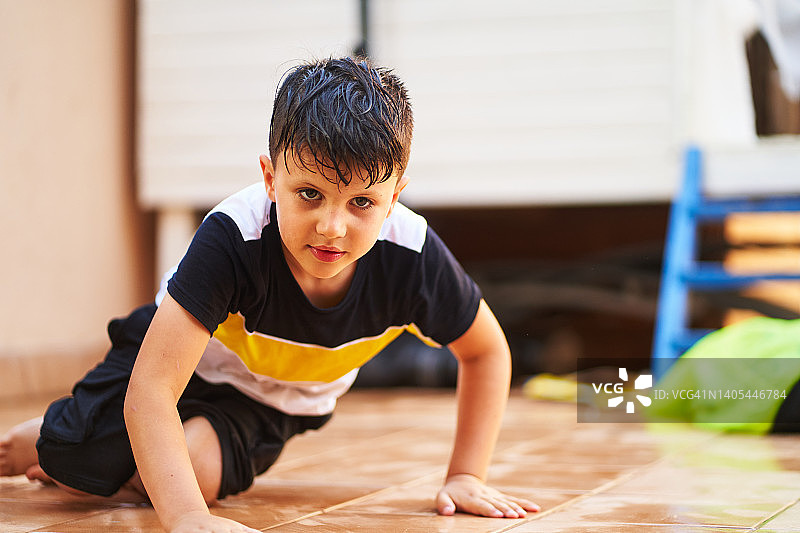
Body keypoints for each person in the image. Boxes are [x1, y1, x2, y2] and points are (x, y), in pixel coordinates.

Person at [0, 56, 539, 532]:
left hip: (269, 400)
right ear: (269, 178)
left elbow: (486, 351)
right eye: (309, 194)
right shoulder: (234, 236)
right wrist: (188, 522)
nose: (332, 226)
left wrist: (466, 474)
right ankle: (49, 442)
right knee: (69, 452)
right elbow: (154, 387)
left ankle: (118, 470)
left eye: (361, 203)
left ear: (395, 195)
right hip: (180, 358)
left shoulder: (413, 256)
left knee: (192, 475)